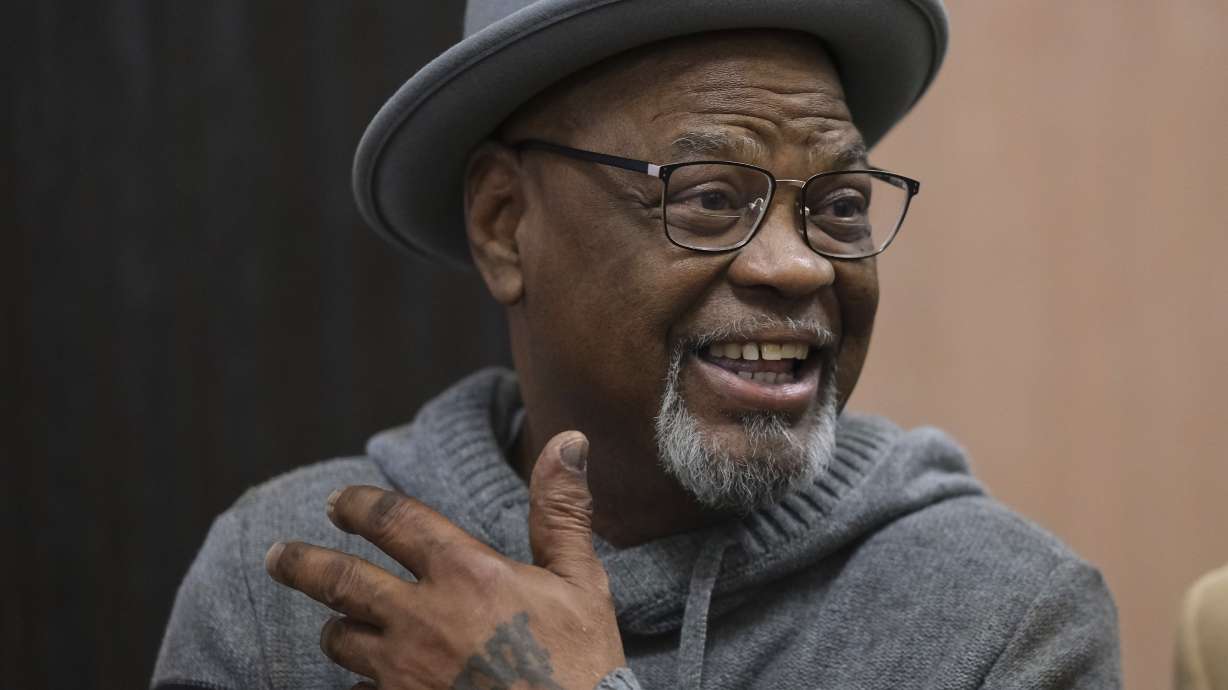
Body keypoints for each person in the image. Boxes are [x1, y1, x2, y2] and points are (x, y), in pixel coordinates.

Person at [152, 1, 1122, 688]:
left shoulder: (1001, 615)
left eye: (837, 206)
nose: (799, 268)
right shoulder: (290, 581)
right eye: (708, 196)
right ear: (502, 224)